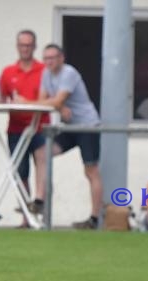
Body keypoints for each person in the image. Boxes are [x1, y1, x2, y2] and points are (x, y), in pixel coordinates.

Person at [34, 43, 103, 230]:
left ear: (61, 58)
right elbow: (44, 102)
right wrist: (58, 105)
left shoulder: (69, 73)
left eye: (52, 58)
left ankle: (95, 219)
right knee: (42, 152)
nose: (49, 62)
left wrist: (58, 104)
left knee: (91, 171)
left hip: (87, 125)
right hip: (70, 126)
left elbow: (55, 100)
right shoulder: (46, 74)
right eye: (46, 58)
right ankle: (39, 200)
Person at [0, 29, 48, 226]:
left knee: (42, 162)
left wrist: (28, 102)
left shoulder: (44, 70)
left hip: (41, 125)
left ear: (34, 46)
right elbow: (2, 98)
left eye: (29, 45)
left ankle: (39, 203)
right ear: (17, 47)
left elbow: (47, 98)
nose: (25, 48)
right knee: (20, 172)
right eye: (22, 45)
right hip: (16, 128)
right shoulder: (8, 72)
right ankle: (27, 216)